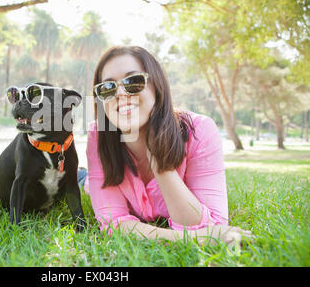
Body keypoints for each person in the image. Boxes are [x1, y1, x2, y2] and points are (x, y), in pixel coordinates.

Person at [83, 46, 253, 246]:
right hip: (88, 182)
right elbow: (113, 223)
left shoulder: (200, 130)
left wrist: (161, 166)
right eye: (107, 88)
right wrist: (193, 239)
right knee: (84, 182)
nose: (120, 93)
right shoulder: (98, 135)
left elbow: (214, 222)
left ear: (157, 86)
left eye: (133, 81)